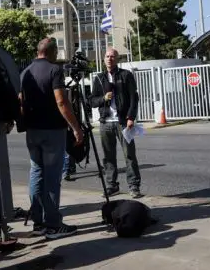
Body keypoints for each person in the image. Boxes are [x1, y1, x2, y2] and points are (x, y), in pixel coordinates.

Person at [19, 38, 84, 239]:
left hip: (33, 131)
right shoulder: (54, 70)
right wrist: (76, 128)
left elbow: (20, 101)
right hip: (52, 130)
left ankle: (38, 222)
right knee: (52, 177)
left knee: (36, 173)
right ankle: (53, 224)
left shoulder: (25, 72)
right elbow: (61, 102)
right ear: (52, 51)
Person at [89, 48, 142, 198]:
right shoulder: (99, 78)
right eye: (107, 56)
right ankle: (112, 186)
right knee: (108, 157)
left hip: (123, 122)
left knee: (129, 155)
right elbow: (92, 101)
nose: (109, 59)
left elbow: (133, 98)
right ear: (103, 59)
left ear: (117, 59)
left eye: (112, 56)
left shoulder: (126, 75)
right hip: (106, 122)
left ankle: (134, 186)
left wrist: (131, 117)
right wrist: (103, 99)